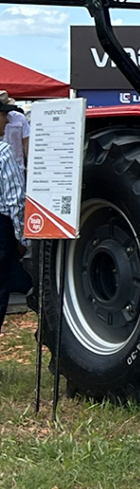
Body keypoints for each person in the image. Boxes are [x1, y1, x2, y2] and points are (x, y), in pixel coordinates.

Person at [0, 102, 26, 335]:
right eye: (3, 115)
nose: (7, 121)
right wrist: (21, 237)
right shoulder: (4, 152)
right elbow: (14, 199)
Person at [0, 92, 29, 177]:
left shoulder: (19, 118)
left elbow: (26, 143)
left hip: (17, 168)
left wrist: (29, 165)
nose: (6, 121)